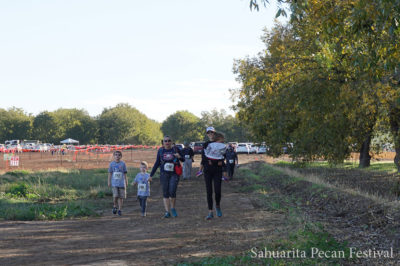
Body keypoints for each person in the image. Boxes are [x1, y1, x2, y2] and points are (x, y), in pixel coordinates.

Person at [150, 135, 185, 218]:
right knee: (165, 192)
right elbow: (157, 163)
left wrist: (179, 156)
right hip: (164, 174)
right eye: (165, 141)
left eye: (169, 140)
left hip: (174, 174)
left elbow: (183, 159)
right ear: (163, 142)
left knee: (172, 191)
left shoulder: (176, 149)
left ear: (171, 142)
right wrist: (151, 175)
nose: (167, 142)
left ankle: (173, 208)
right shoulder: (161, 151)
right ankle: (167, 212)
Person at [201, 127, 227, 220]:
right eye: (208, 132)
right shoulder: (206, 144)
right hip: (208, 170)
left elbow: (223, 155)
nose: (210, 134)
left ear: (215, 133)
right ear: (207, 134)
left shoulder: (221, 144)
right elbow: (203, 157)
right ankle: (210, 212)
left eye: (212, 132)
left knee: (217, 190)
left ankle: (218, 205)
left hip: (217, 170)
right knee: (209, 191)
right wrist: (207, 161)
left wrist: (221, 162)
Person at [108, 150, 128, 216]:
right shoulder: (111, 164)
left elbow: (125, 174)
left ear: (121, 156)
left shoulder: (123, 164)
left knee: (121, 197)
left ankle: (120, 210)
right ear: (114, 156)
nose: (117, 156)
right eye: (116, 155)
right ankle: (114, 206)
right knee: (115, 195)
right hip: (114, 183)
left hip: (121, 183)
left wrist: (126, 181)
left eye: (119, 155)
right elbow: (110, 174)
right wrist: (109, 181)